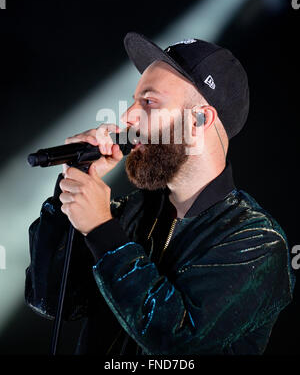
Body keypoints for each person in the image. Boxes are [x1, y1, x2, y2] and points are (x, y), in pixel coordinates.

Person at [25, 32, 295, 355]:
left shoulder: (257, 242)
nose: (128, 117)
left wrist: (101, 230)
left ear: (199, 119)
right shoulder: (131, 214)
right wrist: (72, 185)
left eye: (148, 102)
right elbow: (50, 299)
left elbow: (175, 341)